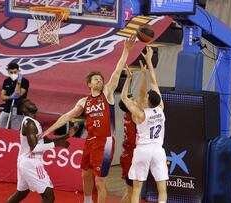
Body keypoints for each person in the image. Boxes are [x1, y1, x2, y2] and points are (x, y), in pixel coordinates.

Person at [41, 35, 137, 203]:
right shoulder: (83, 101)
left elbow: (116, 71)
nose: (99, 81)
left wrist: (126, 50)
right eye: (96, 80)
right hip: (90, 140)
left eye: (100, 79)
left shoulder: (107, 94)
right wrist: (48, 130)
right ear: (89, 84)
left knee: (100, 181)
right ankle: (87, 200)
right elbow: (67, 116)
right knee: (85, 174)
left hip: (105, 142)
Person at [120, 46, 168, 203]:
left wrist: (128, 79)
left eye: (146, 96)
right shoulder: (161, 108)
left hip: (143, 151)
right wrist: (149, 64)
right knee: (162, 190)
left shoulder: (139, 114)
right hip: (158, 151)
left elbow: (124, 98)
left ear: (147, 101)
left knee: (136, 190)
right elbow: (154, 82)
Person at [7, 99, 77, 203]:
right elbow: (35, 148)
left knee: (21, 193)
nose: (33, 103)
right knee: (49, 197)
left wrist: (66, 136)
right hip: (31, 163)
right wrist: (57, 144)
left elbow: (45, 141)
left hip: (24, 161)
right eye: (29, 103)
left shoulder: (33, 122)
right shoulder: (29, 123)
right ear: (23, 108)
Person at [0, 62, 29, 130]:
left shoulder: (25, 81)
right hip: (7, 109)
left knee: (14, 131)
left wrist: (19, 81)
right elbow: (3, 97)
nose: (13, 74)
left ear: (18, 71)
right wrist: (10, 97)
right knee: (0, 128)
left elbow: (17, 94)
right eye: (11, 72)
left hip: (18, 111)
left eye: (15, 72)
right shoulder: (6, 81)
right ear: (8, 72)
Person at [119, 96, 137, 203]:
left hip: (128, 156)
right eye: (132, 100)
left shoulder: (128, 115)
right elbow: (132, 142)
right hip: (131, 158)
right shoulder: (133, 116)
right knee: (131, 192)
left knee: (132, 191)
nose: (135, 101)